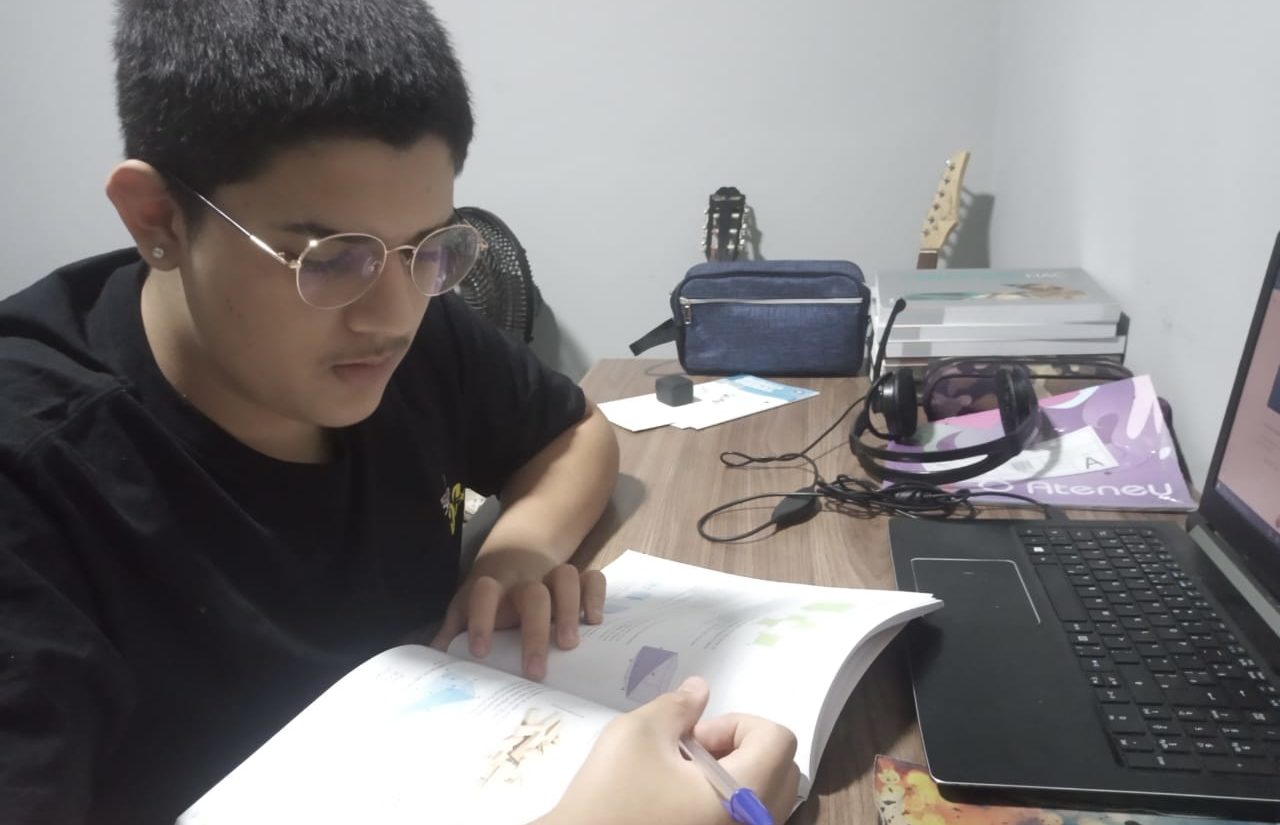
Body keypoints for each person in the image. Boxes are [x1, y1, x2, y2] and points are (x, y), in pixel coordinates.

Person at [0, 0, 800, 823]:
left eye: (429, 246)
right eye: (329, 257)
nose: (391, 316)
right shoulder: (33, 479)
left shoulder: (407, 321)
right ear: (159, 218)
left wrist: (514, 557)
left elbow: (571, 432)